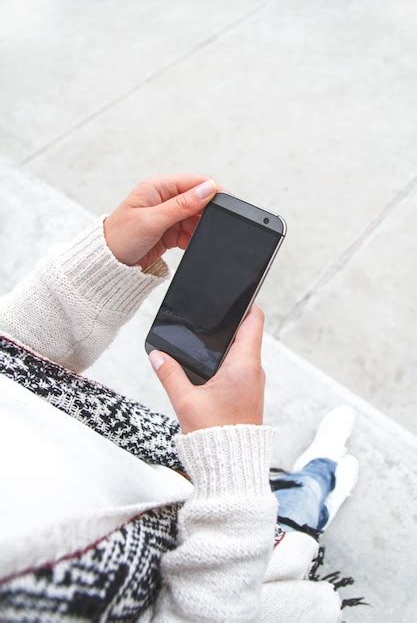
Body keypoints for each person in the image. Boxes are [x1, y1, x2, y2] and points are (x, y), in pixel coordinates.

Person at [0, 173, 358, 622]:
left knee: (266, 488)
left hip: (180, 469)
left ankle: (303, 481)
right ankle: (318, 484)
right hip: (239, 553)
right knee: (299, 505)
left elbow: (13, 369)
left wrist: (100, 265)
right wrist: (232, 450)